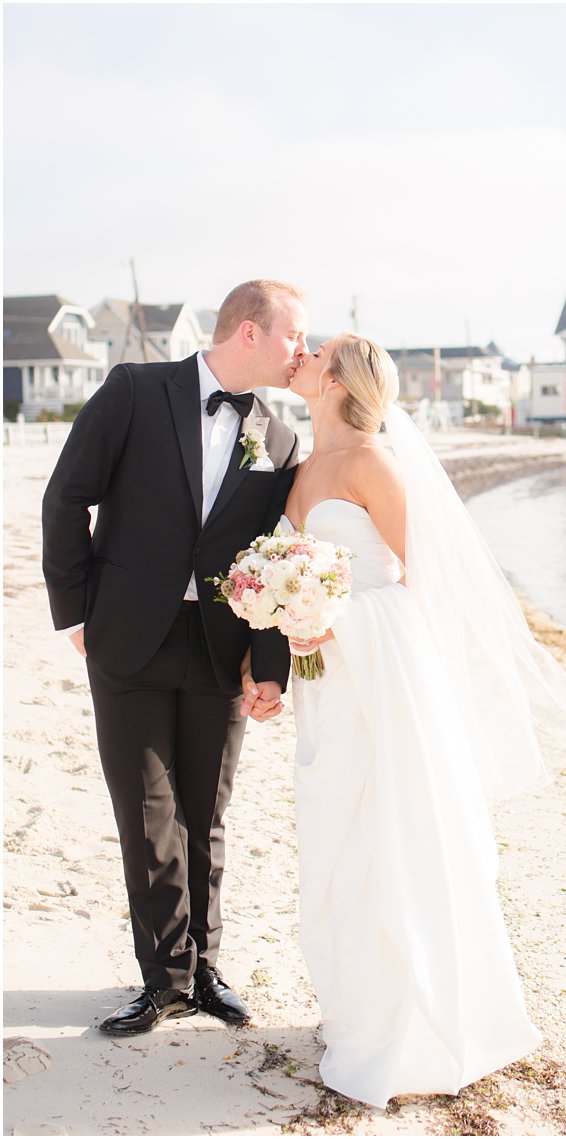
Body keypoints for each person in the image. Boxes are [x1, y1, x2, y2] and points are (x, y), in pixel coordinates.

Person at [278, 333, 566, 1107]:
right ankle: (355, 1007)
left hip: (380, 671)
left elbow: (425, 580)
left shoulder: (371, 463)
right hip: (323, 679)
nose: (302, 352)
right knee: (335, 835)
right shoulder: (298, 466)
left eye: (314, 350)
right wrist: (290, 611)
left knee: (389, 834)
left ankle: (413, 1023)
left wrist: (335, 616)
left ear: (337, 379)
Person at [41, 280, 307, 1034]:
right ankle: (162, 981)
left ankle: (206, 968)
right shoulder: (134, 389)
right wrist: (77, 608)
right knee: (147, 815)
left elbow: (274, 560)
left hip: (221, 648)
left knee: (206, 813)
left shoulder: (280, 439)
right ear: (250, 332)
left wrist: (270, 663)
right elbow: (65, 497)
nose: (301, 352)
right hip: (127, 637)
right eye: (294, 336)